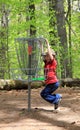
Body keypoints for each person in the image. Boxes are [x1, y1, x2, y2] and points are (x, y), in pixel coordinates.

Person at [40, 39, 62, 110]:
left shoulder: (53, 62)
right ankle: (56, 99)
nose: (45, 57)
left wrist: (47, 43)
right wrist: (41, 45)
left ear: (51, 56)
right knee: (44, 94)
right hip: (50, 83)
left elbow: (49, 54)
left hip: (53, 83)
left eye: (47, 56)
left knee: (43, 94)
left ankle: (57, 98)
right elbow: (42, 53)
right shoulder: (46, 63)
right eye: (45, 56)